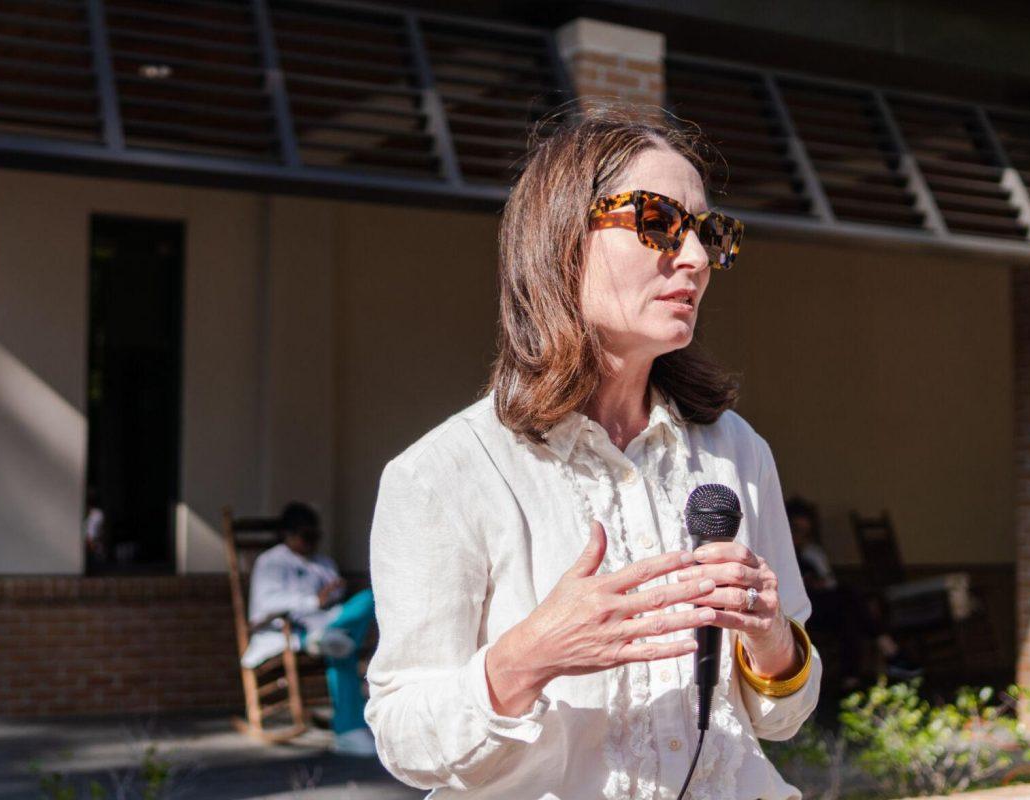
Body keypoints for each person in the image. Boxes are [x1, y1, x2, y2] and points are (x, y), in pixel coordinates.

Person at [365, 105, 821, 799]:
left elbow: (786, 715)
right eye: (660, 222)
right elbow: (403, 737)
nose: (695, 258)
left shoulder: (737, 450)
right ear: (562, 238)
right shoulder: (444, 474)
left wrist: (772, 642)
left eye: (709, 232)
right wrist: (527, 657)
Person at [243, 501, 377, 756]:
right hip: (291, 630)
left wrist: (334, 593)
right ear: (288, 534)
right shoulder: (271, 562)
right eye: (307, 537)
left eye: (316, 537)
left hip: (327, 624)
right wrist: (314, 601)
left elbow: (335, 598)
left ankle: (329, 638)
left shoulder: (322, 562)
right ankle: (348, 728)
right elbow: (266, 604)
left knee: (370, 598)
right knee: (342, 649)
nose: (312, 543)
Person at [784, 496, 920, 687]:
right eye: (796, 530)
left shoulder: (813, 552)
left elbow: (829, 581)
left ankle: (851, 679)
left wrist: (819, 581)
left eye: (805, 532)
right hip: (801, 609)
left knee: (848, 614)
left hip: (827, 605)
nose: (800, 536)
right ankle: (890, 651)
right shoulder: (781, 553)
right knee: (848, 599)